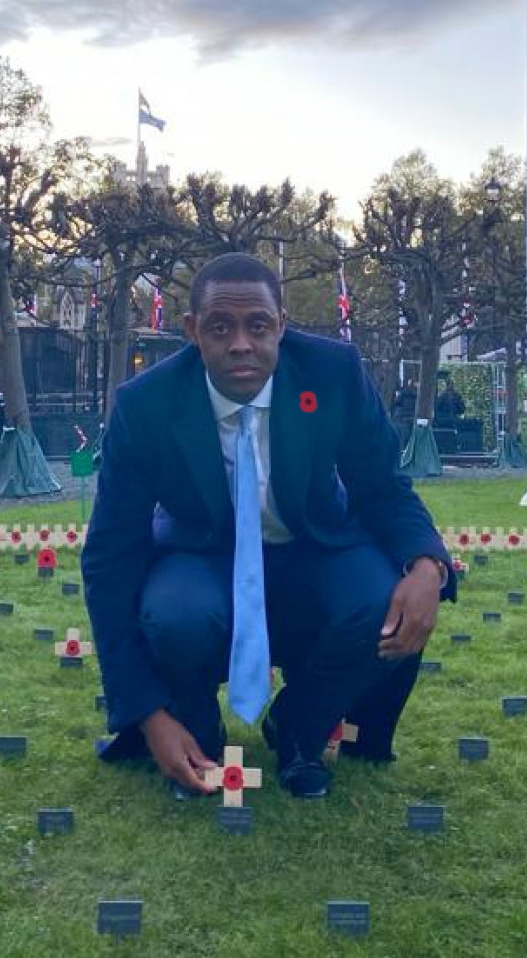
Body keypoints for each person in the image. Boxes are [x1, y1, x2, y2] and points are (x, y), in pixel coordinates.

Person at [82, 252, 455, 800]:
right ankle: (194, 739)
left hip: (314, 550)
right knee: (175, 614)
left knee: (378, 598)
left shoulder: (334, 374)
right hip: (202, 556)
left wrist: (429, 565)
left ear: (282, 324)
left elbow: (382, 487)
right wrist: (145, 712)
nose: (240, 343)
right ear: (191, 331)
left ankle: (301, 729)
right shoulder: (144, 406)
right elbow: (110, 555)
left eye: (257, 325)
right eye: (219, 327)